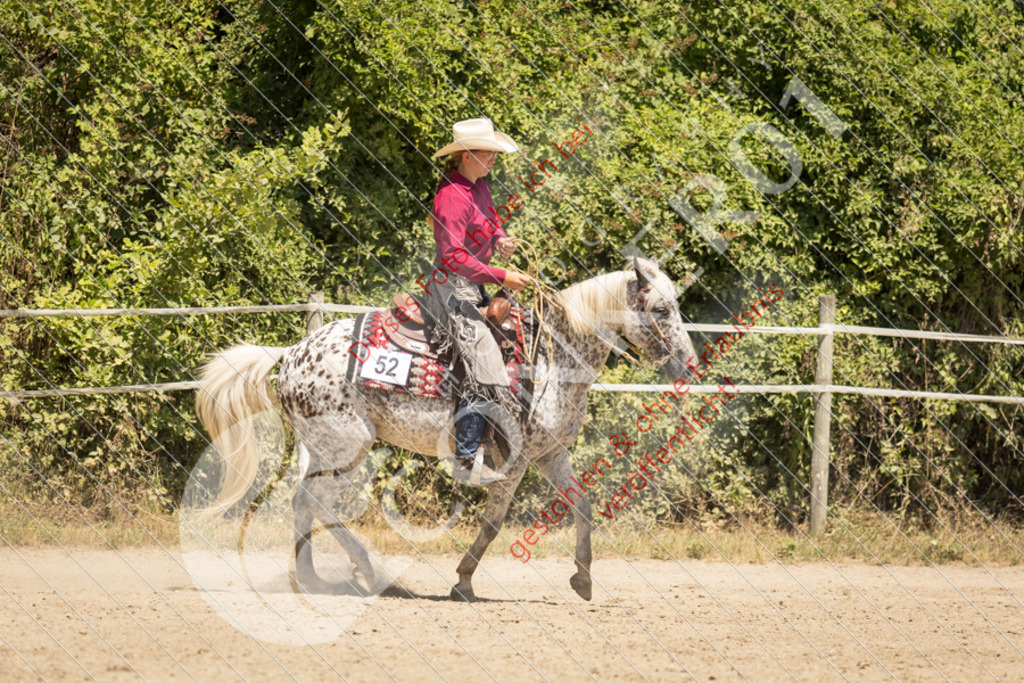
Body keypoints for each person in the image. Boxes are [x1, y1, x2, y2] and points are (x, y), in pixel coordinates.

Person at [425, 118, 532, 486]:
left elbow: (491, 221)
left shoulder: (479, 188)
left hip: (474, 286)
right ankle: (467, 458)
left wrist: (500, 240)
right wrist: (501, 275)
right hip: (450, 290)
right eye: (488, 153)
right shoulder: (451, 196)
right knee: (484, 359)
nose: (494, 159)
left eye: (495, 154)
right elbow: (452, 256)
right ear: (467, 155)